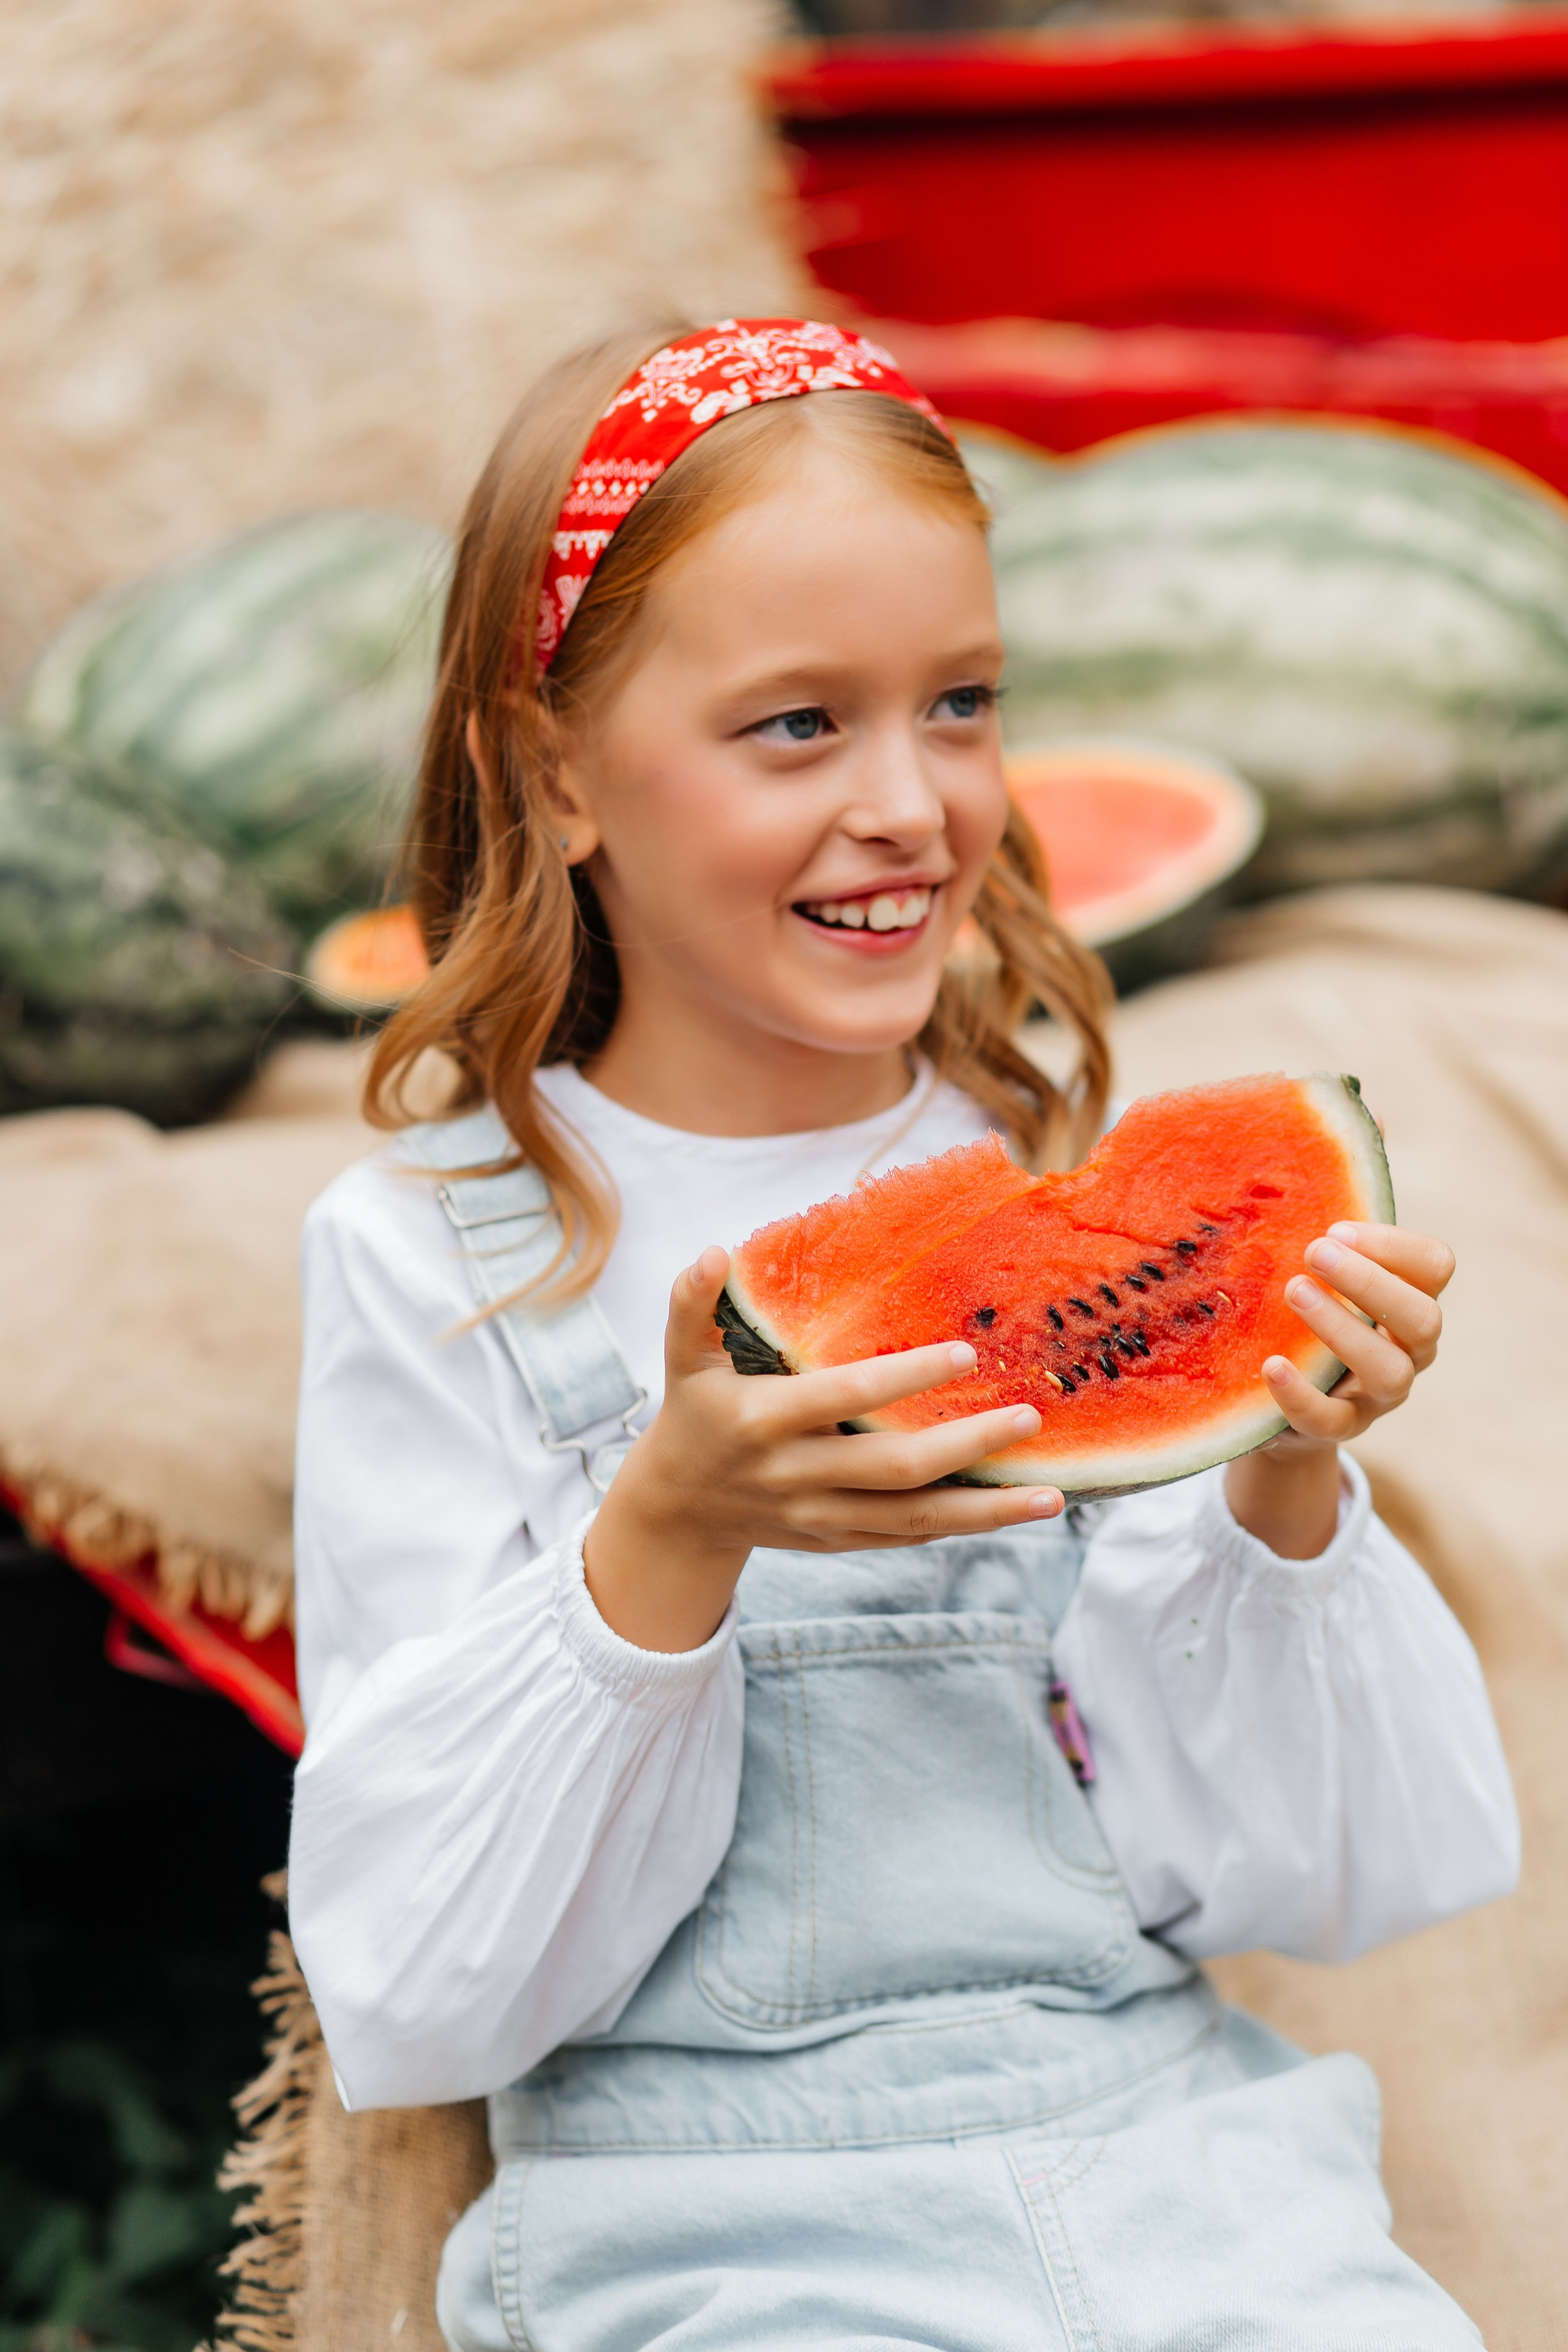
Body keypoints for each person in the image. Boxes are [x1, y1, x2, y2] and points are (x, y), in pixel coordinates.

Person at [287, 319, 1518, 2350]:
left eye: (960, 704)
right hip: (719, 2218)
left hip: (1172, 2148)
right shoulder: (439, 1255)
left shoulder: (1043, 1174)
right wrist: (664, 1543)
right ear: (559, 772)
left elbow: (1279, 1880)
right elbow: (427, 1985)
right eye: (798, 726)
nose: (910, 802)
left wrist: (1285, 1471)